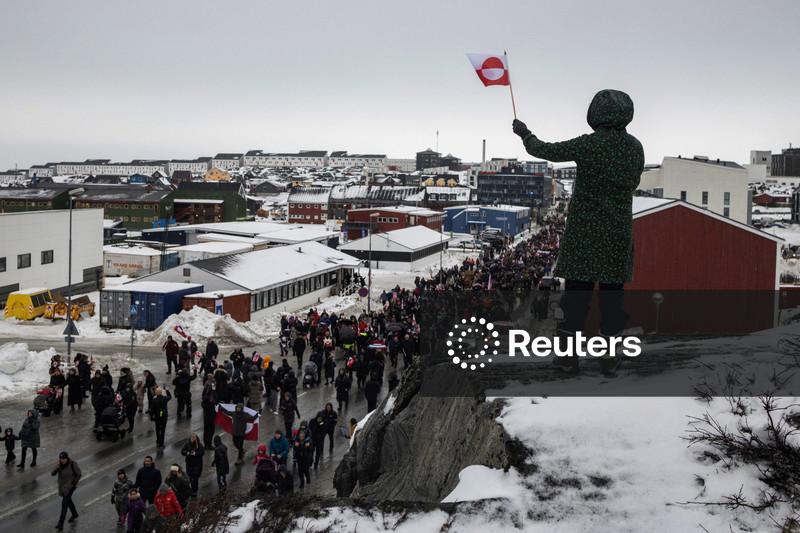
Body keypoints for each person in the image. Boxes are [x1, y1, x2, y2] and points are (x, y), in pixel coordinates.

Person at [513, 90, 644, 373]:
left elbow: (544, 150)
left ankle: (567, 358)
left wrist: (525, 134)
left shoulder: (589, 145)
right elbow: (632, 183)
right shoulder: (635, 148)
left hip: (584, 231)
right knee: (612, 301)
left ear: (595, 113)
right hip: (617, 232)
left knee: (576, 300)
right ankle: (608, 357)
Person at [52, 451, 81, 531]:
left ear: (67, 458)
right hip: (63, 488)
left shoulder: (73, 464)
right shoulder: (60, 465)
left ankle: (60, 524)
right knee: (68, 501)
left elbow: (79, 474)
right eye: (61, 458)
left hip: (70, 487)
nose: (62, 460)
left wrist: (73, 483)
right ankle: (74, 514)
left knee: (64, 504)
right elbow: (52, 474)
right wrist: (56, 467)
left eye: (64, 458)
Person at [180, 433, 204, 498]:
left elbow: (202, 453)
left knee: (195, 478)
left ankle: (195, 490)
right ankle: (192, 489)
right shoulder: (187, 444)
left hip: (196, 464)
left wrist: (195, 453)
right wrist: (187, 453)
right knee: (190, 477)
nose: (193, 438)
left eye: (194, 437)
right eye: (192, 437)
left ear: (196, 438)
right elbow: (182, 451)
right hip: (189, 464)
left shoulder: (199, 445)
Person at [201, 379, 218, 449]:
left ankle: (207, 444)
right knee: (210, 430)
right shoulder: (209, 396)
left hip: (208, 415)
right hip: (209, 415)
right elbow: (205, 404)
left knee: (208, 430)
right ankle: (208, 444)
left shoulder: (208, 394)